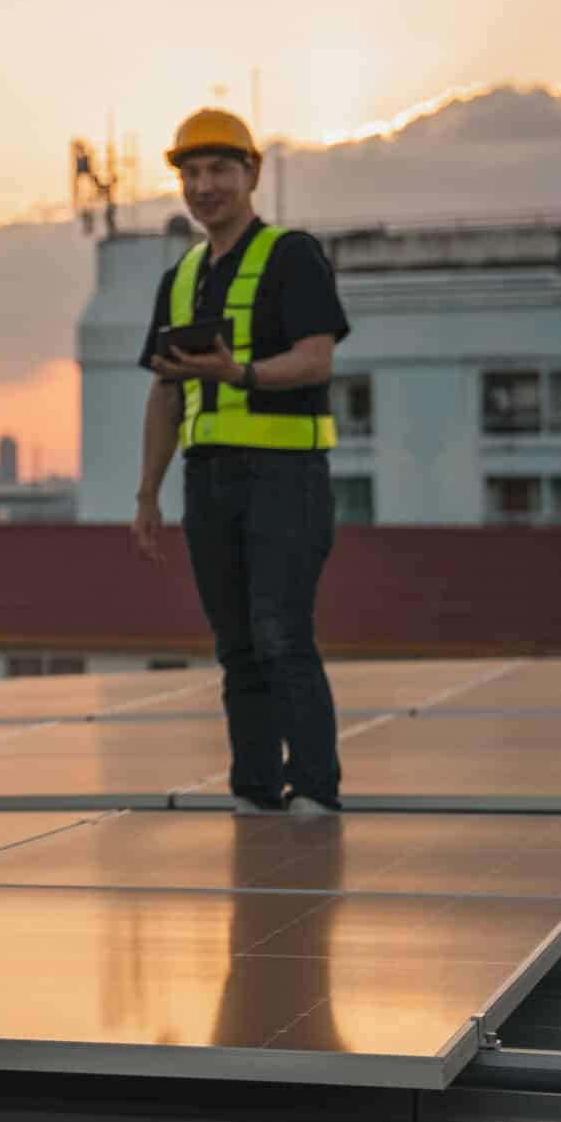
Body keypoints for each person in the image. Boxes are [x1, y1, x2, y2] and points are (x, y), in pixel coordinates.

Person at [132, 109, 351, 814]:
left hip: (287, 479)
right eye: (191, 174)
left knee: (282, 633)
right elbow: (165, 390)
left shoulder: (293, 255)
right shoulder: (183, 275)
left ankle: (314, 789)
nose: (204, 186)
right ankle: (255, 792)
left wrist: (240, 375)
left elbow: (318, 357)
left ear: (251, 173)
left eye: (219, 170)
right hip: (210, 483)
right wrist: (146, 494)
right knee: (237, 648)